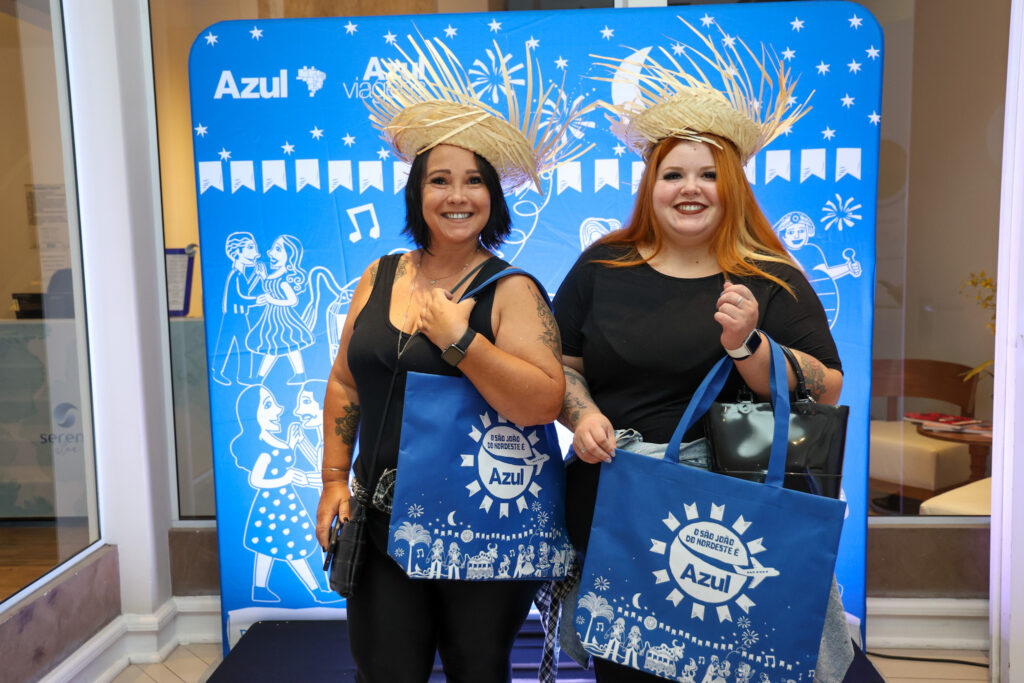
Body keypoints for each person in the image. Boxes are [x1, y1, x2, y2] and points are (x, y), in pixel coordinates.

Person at [551, 23, 878, 683]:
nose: (690, 187)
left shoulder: (768, 273)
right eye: (673, 173)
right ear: (651, 183)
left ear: (732, 185)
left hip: (736, 521)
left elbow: (826, 386)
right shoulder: (602, 265)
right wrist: (579, 415)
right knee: (634, 668)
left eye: (708, 173)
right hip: (619, 504)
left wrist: (749, 344)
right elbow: (560, 366)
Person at [315, 37, 584, 683]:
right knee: (384, 671)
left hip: (481, 527)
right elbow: (346, 379)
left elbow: (543, 401)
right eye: (440, 179)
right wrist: (330, 478)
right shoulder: (379, 276)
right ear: (418, 192)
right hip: (379, 520)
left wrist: (461, 340)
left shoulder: (512, 290)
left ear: (493, 196)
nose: (457, 195)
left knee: (476, 669)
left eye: (474, 181)